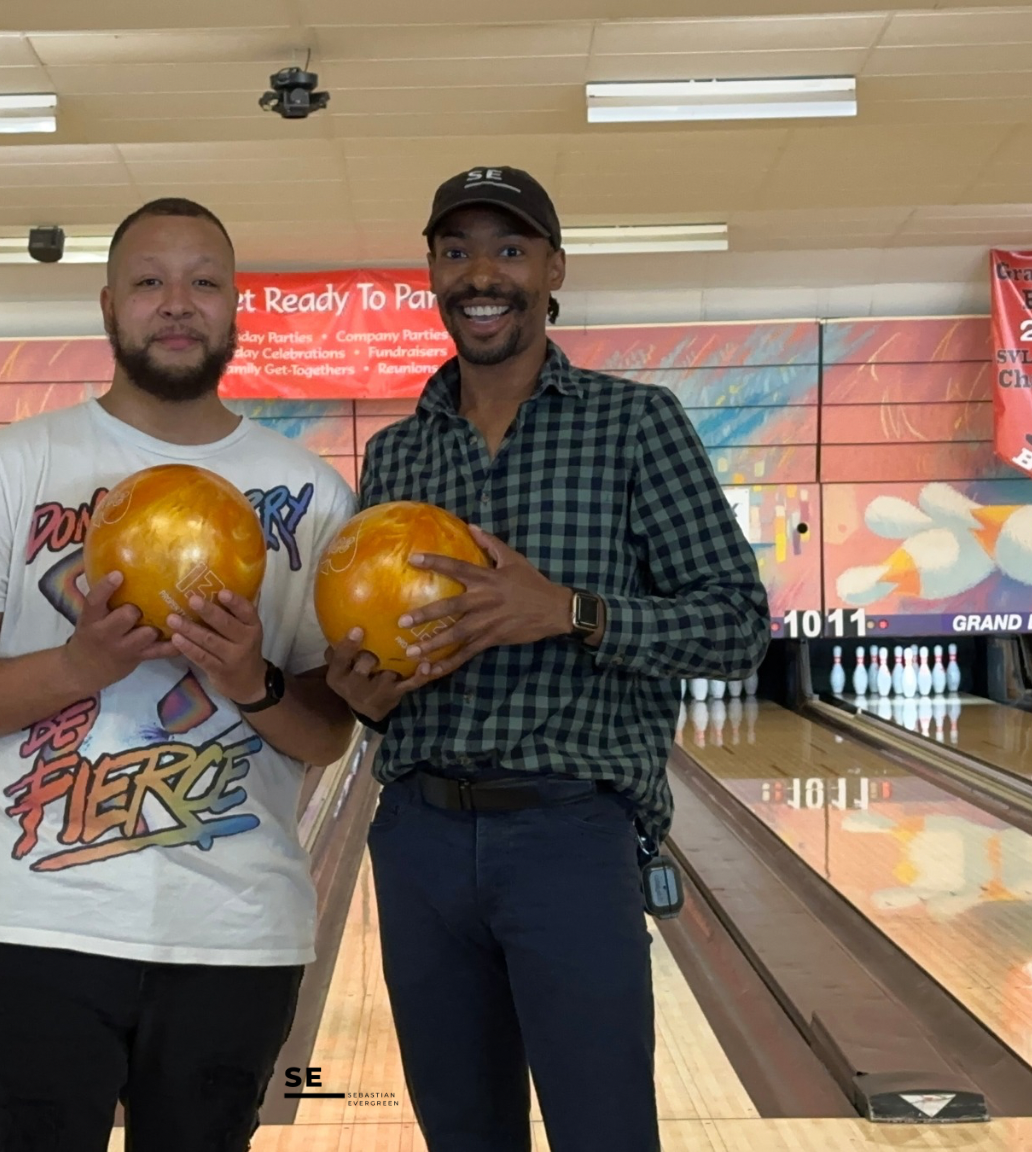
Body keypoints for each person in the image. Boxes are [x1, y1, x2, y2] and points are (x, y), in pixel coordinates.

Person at [323, 167, 770, 1152]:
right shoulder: (396, 455)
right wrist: (363, 694)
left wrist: (568, 612)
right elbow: (376, 666)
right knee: (461, 1135)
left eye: (509, 250)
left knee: (602, 1133)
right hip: (418, 837)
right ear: (432, 273)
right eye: (456, 251)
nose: (481, 274)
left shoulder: (634, 425)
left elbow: (738, 626)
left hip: (569, 833)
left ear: (553, 269)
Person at [0, 197, 358, 1152]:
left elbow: (327, 734)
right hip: (34, 927)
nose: (177, 303)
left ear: (236, 307)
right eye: (149, 281)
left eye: (204, 282)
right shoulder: (12, 466)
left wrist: (250, 680)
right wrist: (80, 664)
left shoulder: (316, 494)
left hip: (236, 933)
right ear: (110, 307)